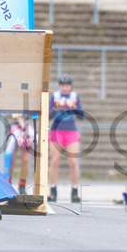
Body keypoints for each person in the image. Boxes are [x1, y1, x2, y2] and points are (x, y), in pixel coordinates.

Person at [49, 74, 85, 203]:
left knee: (73, 162)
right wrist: (56, 108)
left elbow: (81, 116)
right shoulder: (55, 96)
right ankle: (53, 190)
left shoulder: (74, 96)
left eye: (67, 86)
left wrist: (75, 108)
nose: (65, 88)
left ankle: (74, 191)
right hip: (56, 131)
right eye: (62, 86)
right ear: (59, 86)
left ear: (70, 86)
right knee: (54, 162)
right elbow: (48, 115)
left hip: (71, 131)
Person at [3, 114, 35, 193]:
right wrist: (19, 119)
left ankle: (22, 185)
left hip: (26, 127)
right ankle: (7, 182)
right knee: (10, 155)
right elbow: (14, 115)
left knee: (25, 159)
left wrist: (24, 122)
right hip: (16, 128)